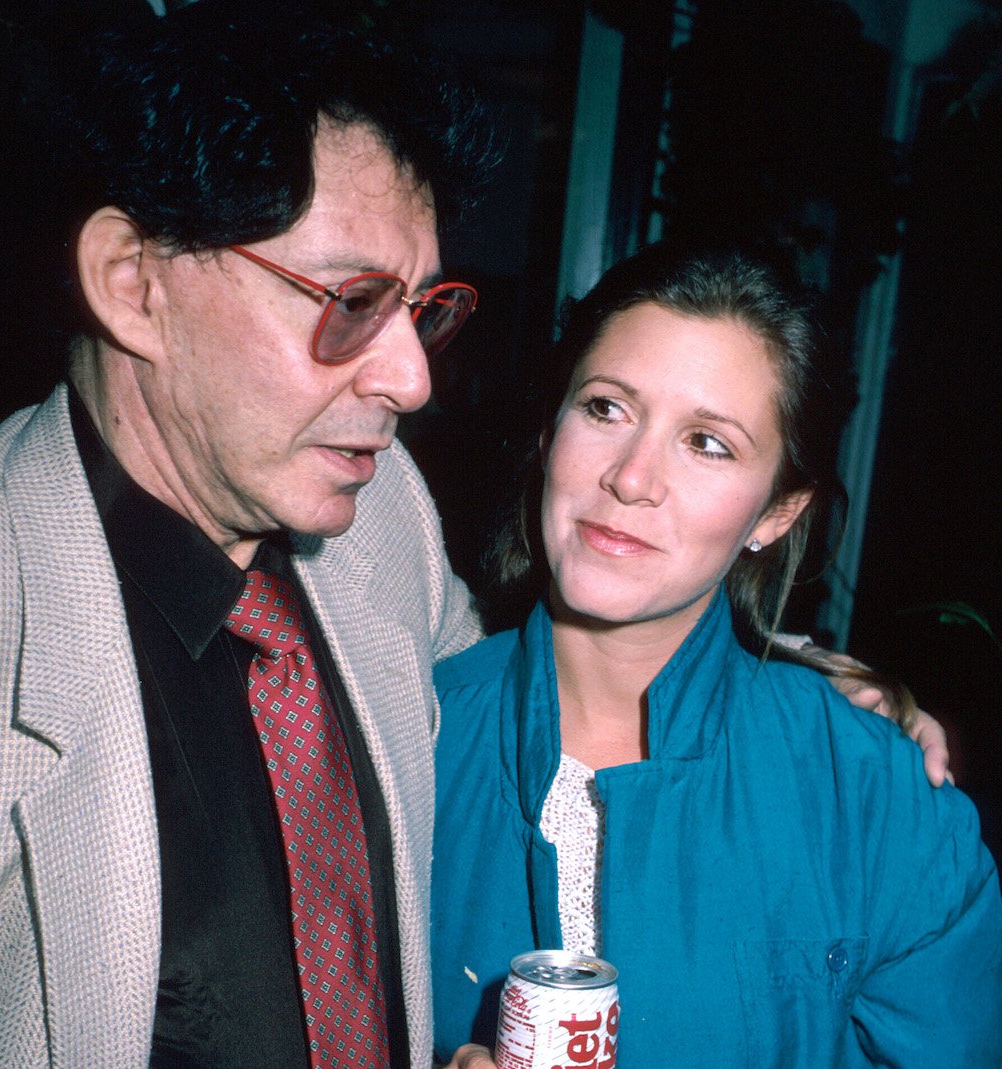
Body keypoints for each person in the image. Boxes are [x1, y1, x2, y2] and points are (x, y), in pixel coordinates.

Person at [0, 7, 948, 1069]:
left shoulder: (375, 509)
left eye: (421, 310)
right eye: (350, 302)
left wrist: (792, 689)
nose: (409, 380)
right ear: (132, 283)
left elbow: (526, 676)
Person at [429, 243, 1002, 1067]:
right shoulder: (399, 748)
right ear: (552, 428)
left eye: (708, 443)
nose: (631, 477)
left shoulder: (886, 806)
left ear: (777, 511)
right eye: (605, 407)